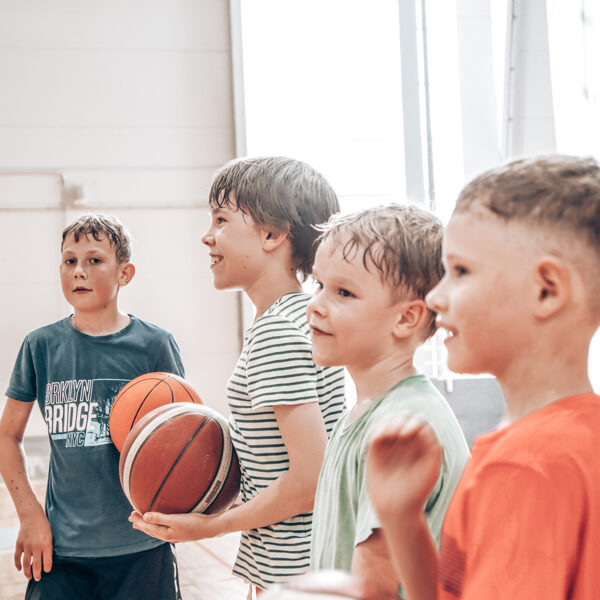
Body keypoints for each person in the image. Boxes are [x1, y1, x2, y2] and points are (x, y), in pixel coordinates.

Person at [366, 155, 600, 600]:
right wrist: (403, 519)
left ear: (546, 289)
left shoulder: (525, 465)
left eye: (461, 271)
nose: (436, 297)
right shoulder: (577, 438)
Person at [130, 156, 347, 592]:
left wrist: (205, 527)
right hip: (306, 562)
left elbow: (307, 480)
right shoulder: (303, 318)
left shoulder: (277, 334)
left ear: (272, 234)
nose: (207, 236)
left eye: (222, 220)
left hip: (296, 572)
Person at [0, 214, 185, 600]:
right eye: (69, 261)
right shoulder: (40, 346)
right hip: (61, 552)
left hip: (142, 547)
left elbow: (182, 437)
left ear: (125, 273)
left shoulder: (154, 345)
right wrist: (30, 515)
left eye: (94, 260)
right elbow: (7, 436)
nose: (79, 271)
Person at [307, 204, 470, 598]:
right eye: (318, 285)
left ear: (406, 319)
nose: (316, 304)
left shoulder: (401, 422)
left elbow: (373, 582)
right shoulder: (373, 407)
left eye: (344, 292)